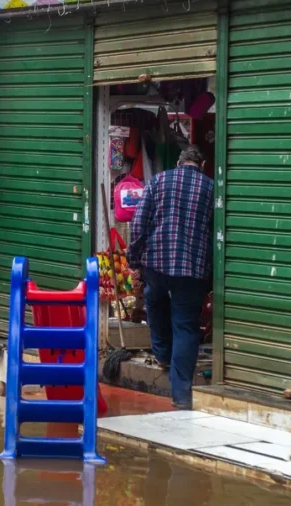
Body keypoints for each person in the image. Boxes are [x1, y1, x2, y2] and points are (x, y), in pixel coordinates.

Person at [127, 145, 214, 410]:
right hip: (192, 267)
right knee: (185, 325)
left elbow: (139, 223)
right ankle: (181, 396)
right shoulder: (211, 188)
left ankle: (162, 354)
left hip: (157, 262)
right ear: (203, 164)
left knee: (154, 299)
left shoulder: (159, 180)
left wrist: (134, 259)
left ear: (179, 162)